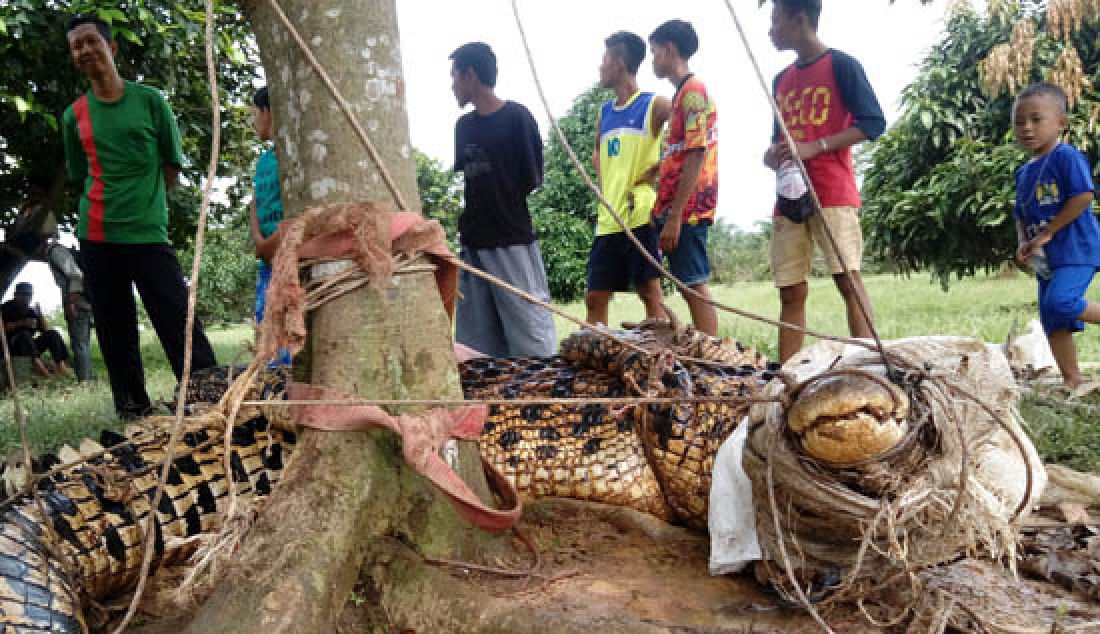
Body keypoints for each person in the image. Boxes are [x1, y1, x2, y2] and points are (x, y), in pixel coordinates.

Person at [61, 15, 218, 420]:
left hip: (148, 233)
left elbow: (170, 164)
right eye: (77, 46)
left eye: (91, 41)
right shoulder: (73, 116)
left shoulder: (150, 100)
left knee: (177, 317)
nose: (85, 51)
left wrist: (146, 206)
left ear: (111, 48)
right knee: (115, 332)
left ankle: (208, 398)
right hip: (97, 237)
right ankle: (134, 411)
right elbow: (81, 176)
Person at [763, 0, 886, 363]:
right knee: (790, 289)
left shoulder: (842, 66)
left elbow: (873, 123)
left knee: (847, 279)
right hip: (789, 196)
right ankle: (787, 373)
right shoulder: (780, 79)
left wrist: (815, 147)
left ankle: (867, 364)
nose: (771, 31)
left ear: (799, 20)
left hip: (831, 189)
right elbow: (780, 137)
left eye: (775, 21)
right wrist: (774, 155)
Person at [450, 41, 556, 358]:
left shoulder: (517, 118)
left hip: (511, 240)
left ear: (470, 76)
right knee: (476, 341)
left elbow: (531, 177)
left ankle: (542, 399)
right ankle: (490, 404)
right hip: (473, 245)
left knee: (531, 334)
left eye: (454, 76)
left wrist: (501, 208)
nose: (452, 85)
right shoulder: (463, 127)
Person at [1011, 82, 1100, 395]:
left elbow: (1083, 196)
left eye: (1036, 119)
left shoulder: (1067, 157)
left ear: (1061, 122)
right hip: (1047, 258)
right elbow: (1020, 213)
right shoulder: (1023, 173)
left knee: (1062, 302)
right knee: (1052, 317)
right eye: (1019, 122)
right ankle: (1072, 380)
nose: (1027, 128)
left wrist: (1050, 231)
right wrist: (1024, 241)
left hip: (1077, 248)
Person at [586, 31, 671, 327]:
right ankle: (596, 359)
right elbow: (597, 154)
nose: (600, 66)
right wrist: (608, 184)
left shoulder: (654, 104)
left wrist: (658, 169)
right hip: (609, 216)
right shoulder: (605, 112)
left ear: (619, 64)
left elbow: (688, 137)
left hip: (640, 214)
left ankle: (662, 360)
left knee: (649, 293)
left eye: (604, 59)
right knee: (594, 297)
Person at [648, 20, 720, 336]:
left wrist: (675, 215)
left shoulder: (692, 94)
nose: (652, 61)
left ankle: (714, 356)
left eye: (654, 53)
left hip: (689, 209)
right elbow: (681, 151)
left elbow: (695, 152)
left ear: (669, 50)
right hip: (678, 206)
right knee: (687, 283)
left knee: (693, 284)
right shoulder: (680, 95)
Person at [247, 86, 292, 367]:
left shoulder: (292, 160)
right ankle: (270, 381)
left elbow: (300, 210)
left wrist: (273, 241)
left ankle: (285, 384)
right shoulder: (264, 161)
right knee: (266, 321)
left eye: (255, 113)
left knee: (288, 321)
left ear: (269, 112)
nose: (254, 122)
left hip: (288, 255)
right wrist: (259, 242)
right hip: (266, 258)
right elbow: (254, 203)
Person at [41, 238, 95, 382]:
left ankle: (85, 383)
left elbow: (75, 274)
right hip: (85, 302)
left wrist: (71, 303)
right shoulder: (58, 250)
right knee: (83, 344)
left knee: (80, 345)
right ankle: (89, 379)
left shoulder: (55, 250)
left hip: (78, 304)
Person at [1, 282, 72, 378]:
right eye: (23, 294)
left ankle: (60, 365)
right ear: (16, 294)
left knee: (52, 333)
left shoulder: (30, 311)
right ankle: (41, 369)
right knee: (24, 334)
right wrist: (21, 323)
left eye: (29, 294)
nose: (27, 297)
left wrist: (40, 314)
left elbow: (45, 330)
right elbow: (3, 328)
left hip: (29, 347)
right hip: (11, 346)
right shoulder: (6, 307)